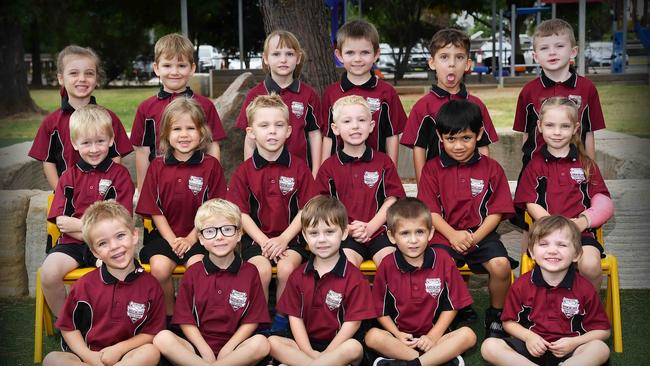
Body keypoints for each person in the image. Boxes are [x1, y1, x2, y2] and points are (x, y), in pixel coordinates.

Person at [417, 99, 517, 339]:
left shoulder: (492, 169)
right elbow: (430, 212)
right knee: (440, 265)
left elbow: (497, 212)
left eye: (466, 138)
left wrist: (474, 238)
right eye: (451, 139)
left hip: (481, 234)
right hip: (443, 235)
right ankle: (451, 311)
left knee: (501, 266)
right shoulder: (432, 169)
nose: (459, 146)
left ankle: (496, 315)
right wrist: (452, 235)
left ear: (479, 134)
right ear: (440, 137)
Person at [511, 18, 607, 253]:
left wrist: (589, 165)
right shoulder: (528, 91)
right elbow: (526, 135)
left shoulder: (587, 88)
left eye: (559, 46)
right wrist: (526, 168)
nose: (552, 53)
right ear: (535, 56)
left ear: (573, 51)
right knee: (531, 224)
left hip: (574, 164)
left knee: (577, 211)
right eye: (544, 48)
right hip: (538, 168)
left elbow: (589, 132)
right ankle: (529, 269)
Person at [228, 93, 317, 333]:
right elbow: (241, 214)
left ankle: (282, 323)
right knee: (260, 269)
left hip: (291, 240)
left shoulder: (299, 167)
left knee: (288, 268)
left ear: (289, 131)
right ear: (251, 132)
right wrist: (265, 242)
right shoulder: (244, 171)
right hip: (257, 241)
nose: (272, 131)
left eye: (279, 125)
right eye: (264, 125)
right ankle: (256, 323)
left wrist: (283, 239)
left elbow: (307, 209)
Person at [43, 200, 165, 366]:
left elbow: (152, 333)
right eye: (102, 243)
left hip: (128, 357)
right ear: (95, 252)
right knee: (52, 360)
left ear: (134, 235)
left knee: (151, 352)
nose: (114, 246)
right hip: (88, 358)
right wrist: (89, 356)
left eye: (120, 236)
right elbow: (68, 327)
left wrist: (120, 349)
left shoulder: (151, 286)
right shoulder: (84, 285)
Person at [136, 97, 227, 320]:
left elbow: (214, 210)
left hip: (201, 236)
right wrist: (173, 240)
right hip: (164, 236)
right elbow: (154, 209)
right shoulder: (157, 166)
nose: (184, 135)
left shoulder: (211, 166)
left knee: (198, 269)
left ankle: (193, 316)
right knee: (159, 269)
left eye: (190, 128)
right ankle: (169, 316)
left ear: (202, 132)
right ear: (166, 133)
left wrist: (190, 239)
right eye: (177, 128)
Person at [41, 104, 134, 318]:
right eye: (86, 143)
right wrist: (91, 229)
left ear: (111, 141)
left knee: (119, 268)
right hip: (71, 244)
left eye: (100, 141)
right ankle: (67, 324)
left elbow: (121, 222)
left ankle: (114, 321)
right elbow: (62, 222)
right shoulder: (68, 177)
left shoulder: (120, 175)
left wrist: (82, 226)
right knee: (48, 273)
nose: (94, 149)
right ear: (75, 144)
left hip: (108, 245)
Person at [153, 199, 271, 366]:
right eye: (210, 231)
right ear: (200, 238)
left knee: (261, 343)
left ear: (239, 234)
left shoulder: (251, 272)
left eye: (227, 229)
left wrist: (228, 350)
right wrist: (205, 350)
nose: (220, 236)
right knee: (162, 338)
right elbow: (185, 320)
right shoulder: (193, 272)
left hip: (236, 348)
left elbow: (252, 320)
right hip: (198, 347)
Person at [481, 215, 611, 366]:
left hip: (571, 351)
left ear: (576, 254)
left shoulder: (585, 288)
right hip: (530, 349)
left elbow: (603, 331)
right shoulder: (521, 285)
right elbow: (508, 323)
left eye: (562, 245)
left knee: (600, 349)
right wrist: (529, 337)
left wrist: (575, 342)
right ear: (532, 252)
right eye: (544, 244)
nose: (552, 251)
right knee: (489, 346)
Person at [514, 96, 613, 290]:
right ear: (540, 127)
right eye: (550, 125)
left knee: (591, 265)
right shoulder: (534, 166)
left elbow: (604, 201)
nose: (557, 132)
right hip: (546, 235)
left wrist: (583, 222)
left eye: (565, 126)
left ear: (576, 128)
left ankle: (588, 311)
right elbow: (529, 202)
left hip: (580, 234)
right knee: (548, 265)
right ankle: (546, 310)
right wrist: (556, 227)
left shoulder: (586, 164)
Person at [365, 197, 476, 366]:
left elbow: (453, 306)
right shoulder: (387, 265)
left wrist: (432, 336)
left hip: (435, 339)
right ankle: (433, 361)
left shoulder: (444, 260)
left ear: (430, 233)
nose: (413, 240)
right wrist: (396, 334)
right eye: (405, 233)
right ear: (392, 236)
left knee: (468, 335)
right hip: (401, 341)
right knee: (372, 336)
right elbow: (380, 310)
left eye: (419, 232)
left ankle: (411, 363)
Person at [268, 195, 375, 366]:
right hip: (307, 346)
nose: (322, 239)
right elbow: (295, 319)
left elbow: (353, 324)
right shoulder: (297, 275)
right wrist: (310, 353)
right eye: (314, 233)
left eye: (330, 232)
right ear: (304, 235)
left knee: (353, 348)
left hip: (339, 346)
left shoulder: (355, 277)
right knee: (272, 342)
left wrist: (328, 354)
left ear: (344, 233)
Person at [130, 33, 226, 196]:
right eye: (167, 66)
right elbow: (142, 151)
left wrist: (213, 181)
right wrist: (143, 190)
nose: (174, 72)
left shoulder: (205, 105)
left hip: (198, 182)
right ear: (156, 68)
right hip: (161, 183)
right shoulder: (146, 108)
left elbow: (212, 145)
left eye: (181, 65)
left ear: (192, 69)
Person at [316, 95, 405, 268]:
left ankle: (384, 296)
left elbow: (392, 199)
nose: (355, 126)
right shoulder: (329, 167)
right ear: (335, 128)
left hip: (379, 232)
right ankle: (357, 296)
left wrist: (371, 227)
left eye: (362, 120)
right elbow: (321, 205)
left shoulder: (383, 162)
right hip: (344, 233)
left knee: (391, 264)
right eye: (347, 121)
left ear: (371, 126)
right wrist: (345, 228)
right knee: (346, 264)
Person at [400, 28, 498, 183]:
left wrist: (483, 182)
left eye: (459, 57)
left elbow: (483, 146)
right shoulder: (422, 107)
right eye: (444, 57)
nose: (452, 64)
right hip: (439, 184)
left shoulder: (477, 105)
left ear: (467, 65)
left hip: (471, 184)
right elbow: (419, 149)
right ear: (432, 63)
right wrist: (423, 187)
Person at [29, 45, 132, 190]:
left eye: (89, 73)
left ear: (96, 78)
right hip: (67, 195)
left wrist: (107, 188)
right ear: (61, 78)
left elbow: (116, 156)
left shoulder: (109, 118)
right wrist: (61, 193)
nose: (82, 79)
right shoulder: (51, 123)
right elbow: (48, 162)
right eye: (74, 73)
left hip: (102, 195)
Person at [236, 30, 323, 177]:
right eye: (276, 54)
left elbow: (314, 134)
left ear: (298, 58)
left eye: (289, 54)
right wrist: (250, 174)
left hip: (299, 173)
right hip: (263, 173)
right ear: (265, 58)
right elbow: (250, 138)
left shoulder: (308, 94)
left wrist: (315, 172)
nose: (283, 59)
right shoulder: (255, 94)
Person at [321, 19, 407, 165]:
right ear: (339, 55)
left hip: (376, 172)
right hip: (340, 173)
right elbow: (328, 136)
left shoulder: (387, 93)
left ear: (376, 54)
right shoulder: (331, 93)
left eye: (365, 52)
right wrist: (323, 172)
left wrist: (390, 170)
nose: (357, 59)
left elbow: (392, 136)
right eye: (350, 53)